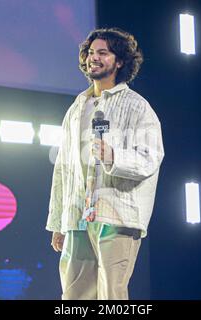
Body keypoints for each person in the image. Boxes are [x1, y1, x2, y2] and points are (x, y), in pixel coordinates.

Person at [46, 27, 164, 300]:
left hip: (117, 217)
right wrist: (58, 221)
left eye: (103, 52)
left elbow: (150, 157)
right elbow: (63, 168)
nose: (93, 58)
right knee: (74, 296)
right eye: (90, 52)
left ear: (120, 61)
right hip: (77, 218)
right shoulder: (77, 107)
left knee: (111, 295)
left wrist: (113, 157)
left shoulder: (137, 106)